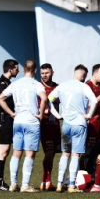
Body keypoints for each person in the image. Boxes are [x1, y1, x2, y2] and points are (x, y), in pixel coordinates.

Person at [48, 64, 100, 193]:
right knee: (75, 155)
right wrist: (89, 115)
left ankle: (59, 183)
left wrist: (57, 114)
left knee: (65, 154)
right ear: (82, 74)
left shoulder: (62, 85)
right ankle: (71, 185)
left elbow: (49, 99)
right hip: (79, 124)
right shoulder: (84, 86)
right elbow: (95, 101)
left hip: (66, 124)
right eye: (84, 75)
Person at [0, 59, 48, 193]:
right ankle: (25, 185)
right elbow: (44, 98)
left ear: (24, 70)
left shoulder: (15, 84)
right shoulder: (36, 84)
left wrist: (12, 113)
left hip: (18, 121)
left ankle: (13, 184)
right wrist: (41, 114)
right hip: (31, 122)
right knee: (29, 154)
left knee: (16, 153)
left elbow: (0, 98)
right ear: (35, 71)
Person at [0, 59, 19, 191]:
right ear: (10, 69)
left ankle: (2, 182)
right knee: (2, 152)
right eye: (16, 68)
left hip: (8, 120)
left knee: (6, 151)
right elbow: (0, 101)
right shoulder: (2, 84)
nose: (18, 71)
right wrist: (12, 113)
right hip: (5, 120)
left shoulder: (8, 82)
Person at [38, 63, 61, 191]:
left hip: (55, 125)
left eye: (47, 73)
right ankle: (44, 181)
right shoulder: (38, 87)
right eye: (42, 73)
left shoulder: (57, 88)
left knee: (52, 154)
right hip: (43, 125)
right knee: (48, 152)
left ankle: (48, 181)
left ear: (52, 72)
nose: (44, 75)